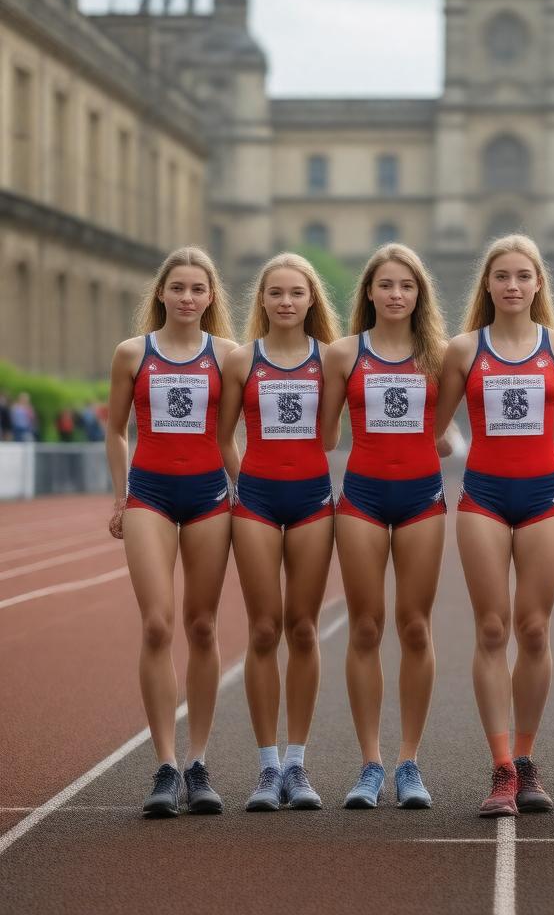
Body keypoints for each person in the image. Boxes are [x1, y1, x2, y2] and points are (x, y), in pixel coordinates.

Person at [435, 233, 554, 817]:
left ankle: (525, 760)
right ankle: (498, 770)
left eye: (524, 275)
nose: (513, 285)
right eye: (502, 276)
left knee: (536, 630)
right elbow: (438, 423)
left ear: (538, 283)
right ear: (488, 285)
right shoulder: (463, 349)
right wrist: (458, 449)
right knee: (492, 629)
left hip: (544, 495)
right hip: (484, 499)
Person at [105, 245, 237, 817]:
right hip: (150, 497)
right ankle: (164, 765)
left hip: (210, 497)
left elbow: (231, 436)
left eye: (198, 290)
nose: (187, 297)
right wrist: (121, 493)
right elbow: (115, 430)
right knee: (157, 624)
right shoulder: (132, 353)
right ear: (160, 292)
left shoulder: (228, 356)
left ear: (211, 299)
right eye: (178, 287)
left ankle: (199, 762)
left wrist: (250, 492)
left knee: (202, 626)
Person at [321, 244, 448, 809]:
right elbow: (325, 435)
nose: (396, 295)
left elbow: (447, 433)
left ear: (420, 295)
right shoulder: (343, 354)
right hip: (363, 499)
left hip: (423, 497)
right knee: (366, 628)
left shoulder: (441, 358)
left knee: (415, 627)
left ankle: (409, 763)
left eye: (407, 286)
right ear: (368, 292)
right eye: (386, 285)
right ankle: (370, 763)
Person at [218, 252, 342, 813]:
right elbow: (224, 438)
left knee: (304, 629)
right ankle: (267, 767)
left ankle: (297, 761)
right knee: (263, 629)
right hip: (258, 504)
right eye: (276, 293)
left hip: (314, 501)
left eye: (296, 293)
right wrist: (250, 483)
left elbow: (336, 433)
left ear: (312, 299)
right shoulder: (242, 361)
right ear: (261, 300)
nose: (286, 302)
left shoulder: (332, 360)